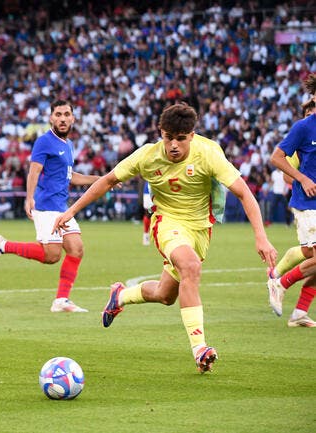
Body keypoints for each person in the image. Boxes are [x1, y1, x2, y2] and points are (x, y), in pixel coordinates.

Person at [53, 103, 277, 373]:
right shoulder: (147, 155)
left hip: (200, 229)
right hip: (167, 223)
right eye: (168, 137)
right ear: (161, 132)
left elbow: (244, 193)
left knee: (165, 295)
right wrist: (71, 211)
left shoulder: (208, 154)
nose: (173, 145)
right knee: (190, 267)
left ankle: (121, 296)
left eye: (180, 139)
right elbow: (107, 180)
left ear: (192, 136)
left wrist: (261, 237)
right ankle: (200, 348)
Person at [0, 100, 99, 313]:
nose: (62, 118)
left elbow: (71, 177)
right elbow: (34, 171)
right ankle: (3, 245)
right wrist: (29, 198)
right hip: (46, 206)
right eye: (58, 114)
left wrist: (103, 180)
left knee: (76, 248)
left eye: (66, 114)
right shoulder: (44, 142)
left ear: (73, 118)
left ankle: (61, 300)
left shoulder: (68, 145)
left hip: (61, 207)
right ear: (51, 118)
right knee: (52, 256)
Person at [267, 74, 316, 327]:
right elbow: (276, 158)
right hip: (308, 204)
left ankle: (299, 313)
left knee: (313, 258)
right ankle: (279, 282)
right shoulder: (304, 127)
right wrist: (303, 179)